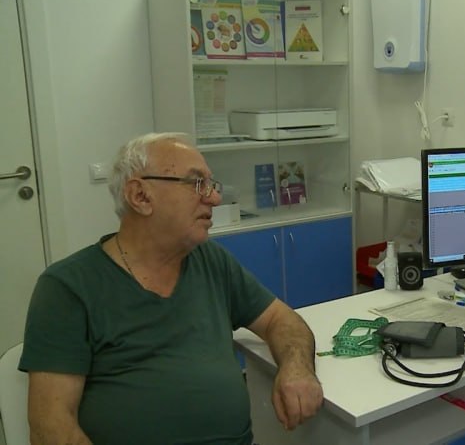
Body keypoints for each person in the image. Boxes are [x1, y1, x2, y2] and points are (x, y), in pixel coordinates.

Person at [19, 132, 324, 444]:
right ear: (140, 196)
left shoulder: (210, 261)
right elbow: (51, 429)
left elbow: (280, 319)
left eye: (211, 184)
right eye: (197, 183)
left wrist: (297, 368)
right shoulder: (68, 287)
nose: (214, 198)